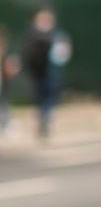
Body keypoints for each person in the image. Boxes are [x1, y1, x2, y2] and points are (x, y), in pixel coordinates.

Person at [22, 8, 72, 138]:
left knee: (49, 93)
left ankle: (45, 116)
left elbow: (62, 51)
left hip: (49, 69)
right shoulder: (34, 32)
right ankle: (43, 116)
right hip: (37, 69)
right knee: (40, 94)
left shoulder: (55, 33)